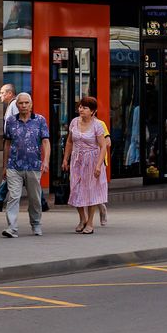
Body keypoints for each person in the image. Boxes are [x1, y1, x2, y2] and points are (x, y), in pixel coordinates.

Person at [2, 92, 50, 238]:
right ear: (16, 105)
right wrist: (4, 165)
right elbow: (7, 143)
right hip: (14, 165)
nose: (23, 106)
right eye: (20, 103)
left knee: (35, 198)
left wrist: (46, 161)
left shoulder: (40, 120)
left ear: (31, 104)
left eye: (26, 103)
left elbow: (45, 141)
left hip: (33, 165)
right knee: (13, 196)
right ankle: (12, 227)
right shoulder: (10, 121)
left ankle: (36, 224)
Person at [61, 95, 110, 232]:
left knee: (91, 191)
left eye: (85, 108)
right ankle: (82, 218)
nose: (81, 109)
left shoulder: (97, 125)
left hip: (92, 160)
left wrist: (99, 165)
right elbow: (70, 141)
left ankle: (90, 223)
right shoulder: (74, 122)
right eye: (80, 107)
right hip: (77, 160)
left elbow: (103, 146)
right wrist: (65, 158)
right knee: (75, 189)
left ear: (93, 111)